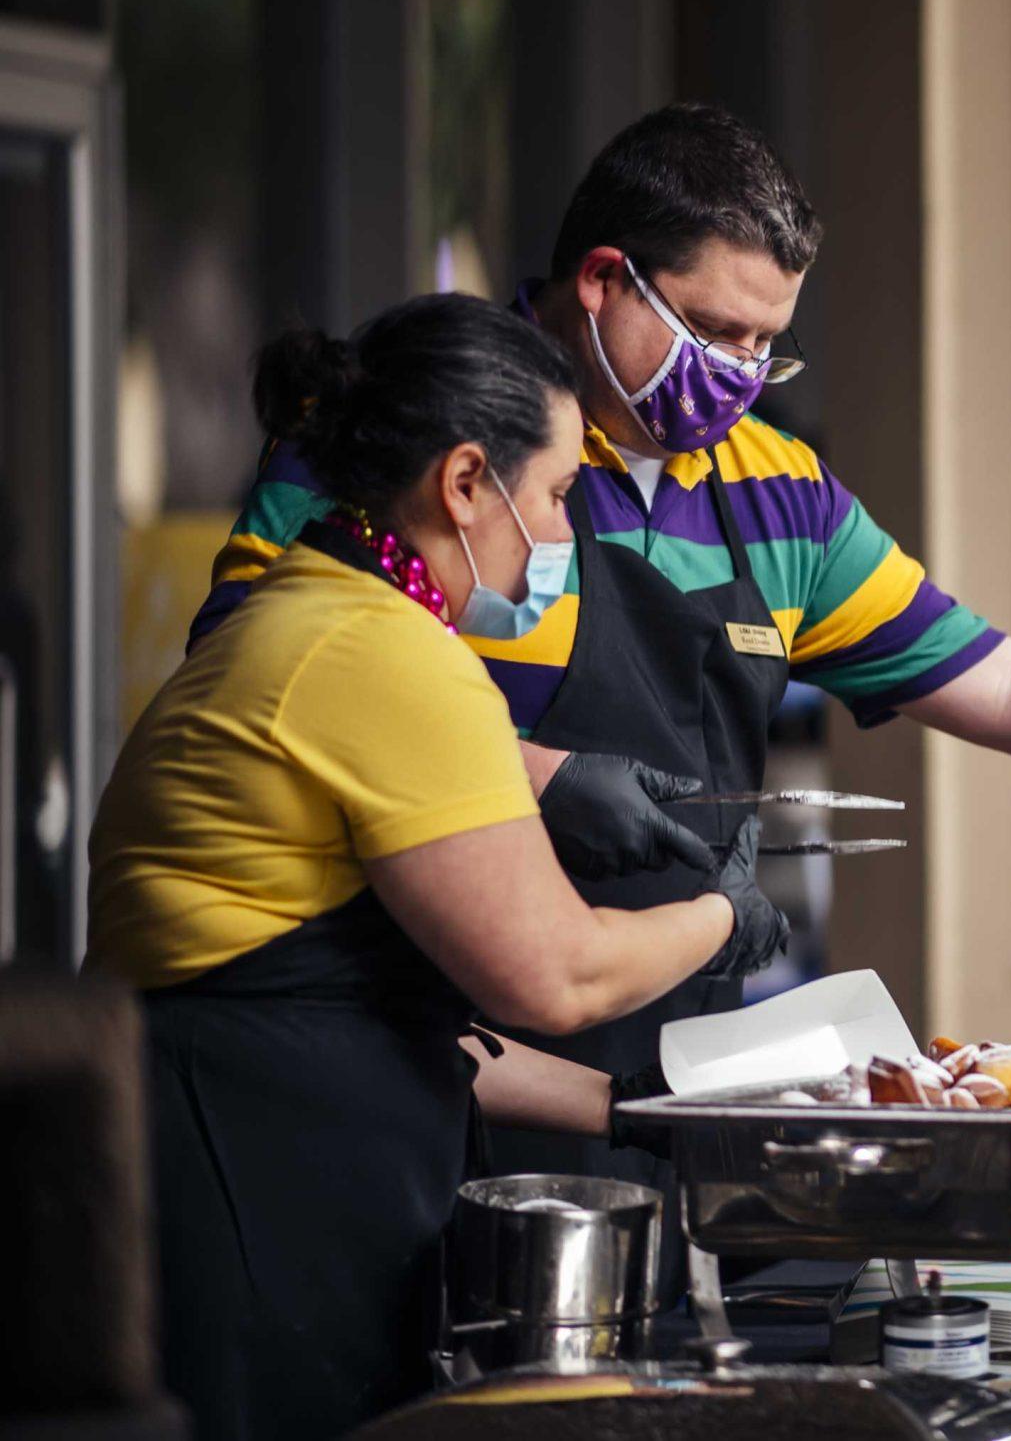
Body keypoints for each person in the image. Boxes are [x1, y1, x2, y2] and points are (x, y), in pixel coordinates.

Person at [190, 104, 1011, 1191]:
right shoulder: (404, 437)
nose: (741, 379)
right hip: (407, 1055)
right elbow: (275, 688)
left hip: (656, 1083)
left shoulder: (777, 495)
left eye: (767, 347)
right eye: (716, 332)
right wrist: (551, 780)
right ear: (605, 281)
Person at [88, 298, 790, 1441]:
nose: (566, 537)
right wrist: (724, 918)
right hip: (256, 1208)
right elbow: (554, 978)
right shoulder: (380, 654)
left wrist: (638, 1112)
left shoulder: (318, 613)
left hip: (255, 1171)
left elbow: (383, 1021)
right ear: (466, 483)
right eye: (559, 496)